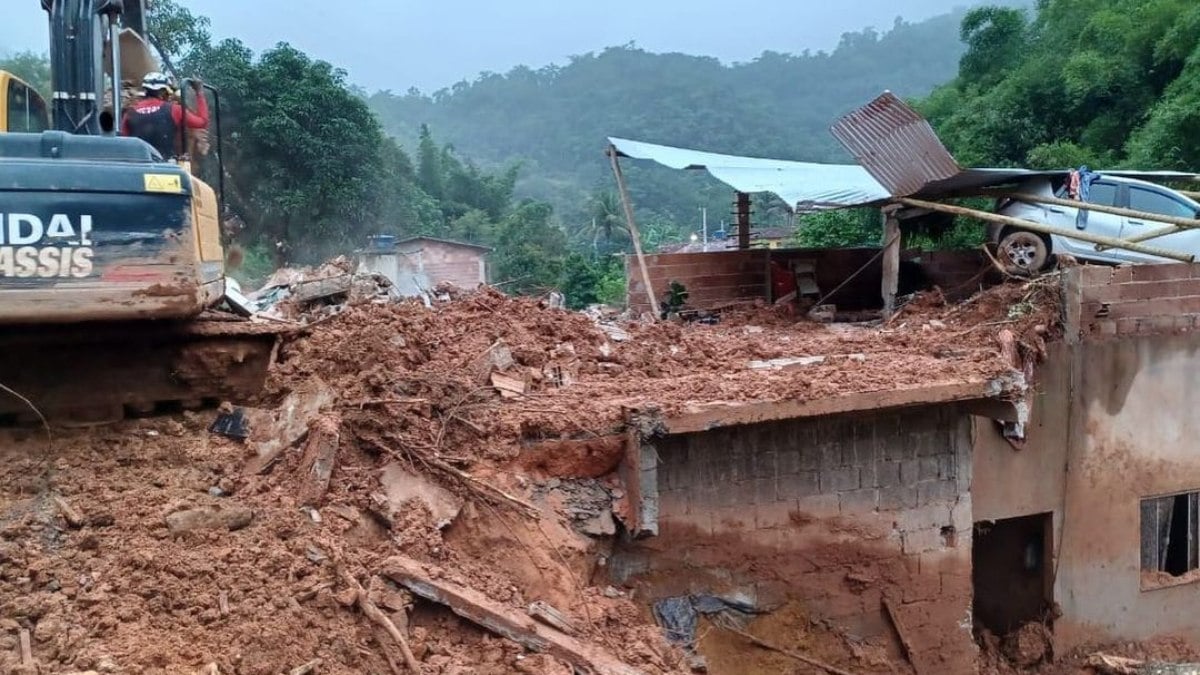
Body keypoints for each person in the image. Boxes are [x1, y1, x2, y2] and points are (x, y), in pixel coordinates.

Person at [120, 72, 208, 159]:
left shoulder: (130, 113)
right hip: (165, 167)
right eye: (167, 91)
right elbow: (202, 122)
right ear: (162, 92)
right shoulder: (174, 109)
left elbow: (124, 140)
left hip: (138, 166)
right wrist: (199, 93)